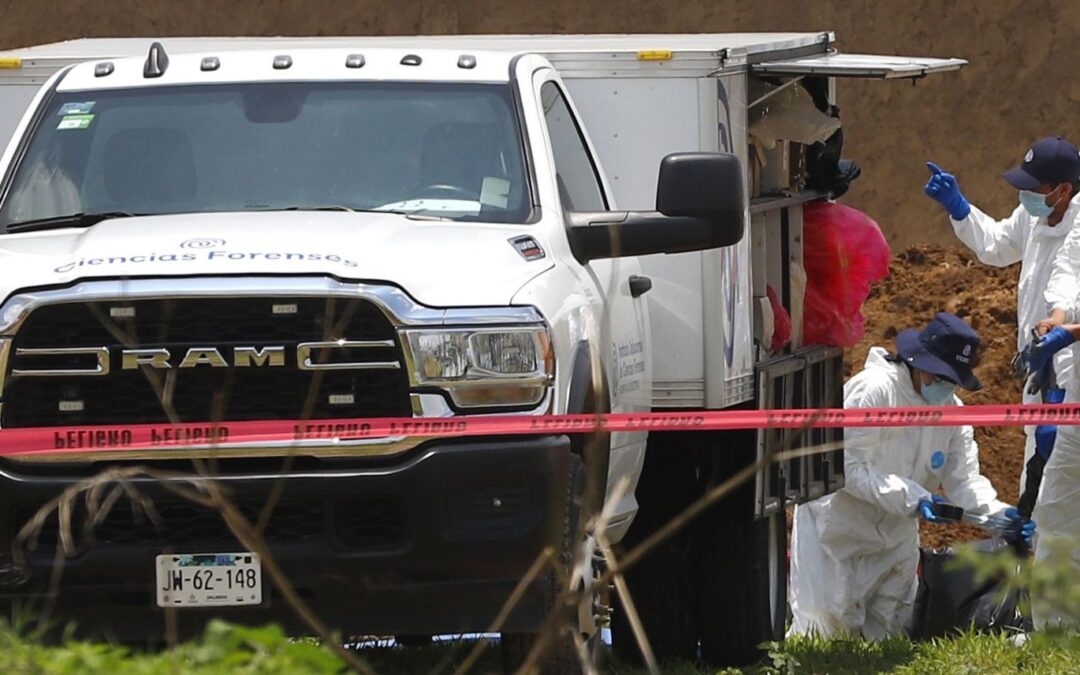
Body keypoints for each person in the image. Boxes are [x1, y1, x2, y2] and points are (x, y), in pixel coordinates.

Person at [788, 313, 1034, 639]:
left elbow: (963, 479)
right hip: (837, 535)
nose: (946, 386)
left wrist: (998, 515)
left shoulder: (952, 411)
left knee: (889, 640)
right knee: (825, 635)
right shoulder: (873, 391)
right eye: (941, 377)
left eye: (953, 379)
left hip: (895, 540)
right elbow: (848, 467)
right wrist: (913, 497)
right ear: (920, 365)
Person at [924, 136, 1080, 499]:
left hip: (1072, 375)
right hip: (1043, 368)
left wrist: (1063, 329)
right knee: (1038, 487)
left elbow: (1070, 283)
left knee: (1060, 493)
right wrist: (960, 207)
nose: (1025, 195)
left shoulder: (1077, 227)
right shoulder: (1033, 215)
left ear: (1063, 190)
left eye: (1033, 187)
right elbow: (996, 246)